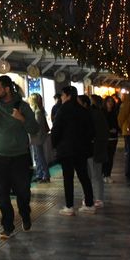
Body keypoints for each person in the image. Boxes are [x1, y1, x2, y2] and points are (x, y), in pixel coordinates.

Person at [0, 75, 39, 239]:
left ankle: (25, 214)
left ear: (7, 89)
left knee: (23, 193)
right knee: (1, 195)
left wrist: (22, 119)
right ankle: (8, 226)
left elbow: (34, 129)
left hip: (20, 157)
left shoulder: (22, 106)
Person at [50, 86, 95, 216]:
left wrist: (55, 145)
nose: (61, 98)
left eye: (63, 95)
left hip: (66, 150)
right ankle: (89, 204)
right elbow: (91, 130)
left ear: (68, 96)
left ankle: (69, 207)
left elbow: (56, 130)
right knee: (84, 176)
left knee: (68, 179)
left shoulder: (62, 110)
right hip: (81, 150)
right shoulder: (83, 110)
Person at [88, 95, 110, 208]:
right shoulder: (99, 114)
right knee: (96, 174)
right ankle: (97, 198)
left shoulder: (93, 114)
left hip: (94, 149)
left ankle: (97, 198)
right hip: (97, 148)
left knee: (95, 174)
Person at [28, 93, 50, 183]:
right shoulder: (38, 111)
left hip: (37, 138)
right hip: (36, 138)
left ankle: (45, 175)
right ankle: (40, 174)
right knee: (37, 157)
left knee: (40, 157)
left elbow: (37, 126)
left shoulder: (37, 112)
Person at [102, 96, 119, 181]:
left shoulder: (114, 113)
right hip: (105, 138)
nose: (110, 103)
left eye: (112, 101)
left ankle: (107, 174)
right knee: (105, 157)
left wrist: (117, 129)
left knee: (110, 157)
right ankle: (104, 174)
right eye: (108, 101)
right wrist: (108, 130)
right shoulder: (102, 113)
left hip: (113, 138)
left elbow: (117, 124)